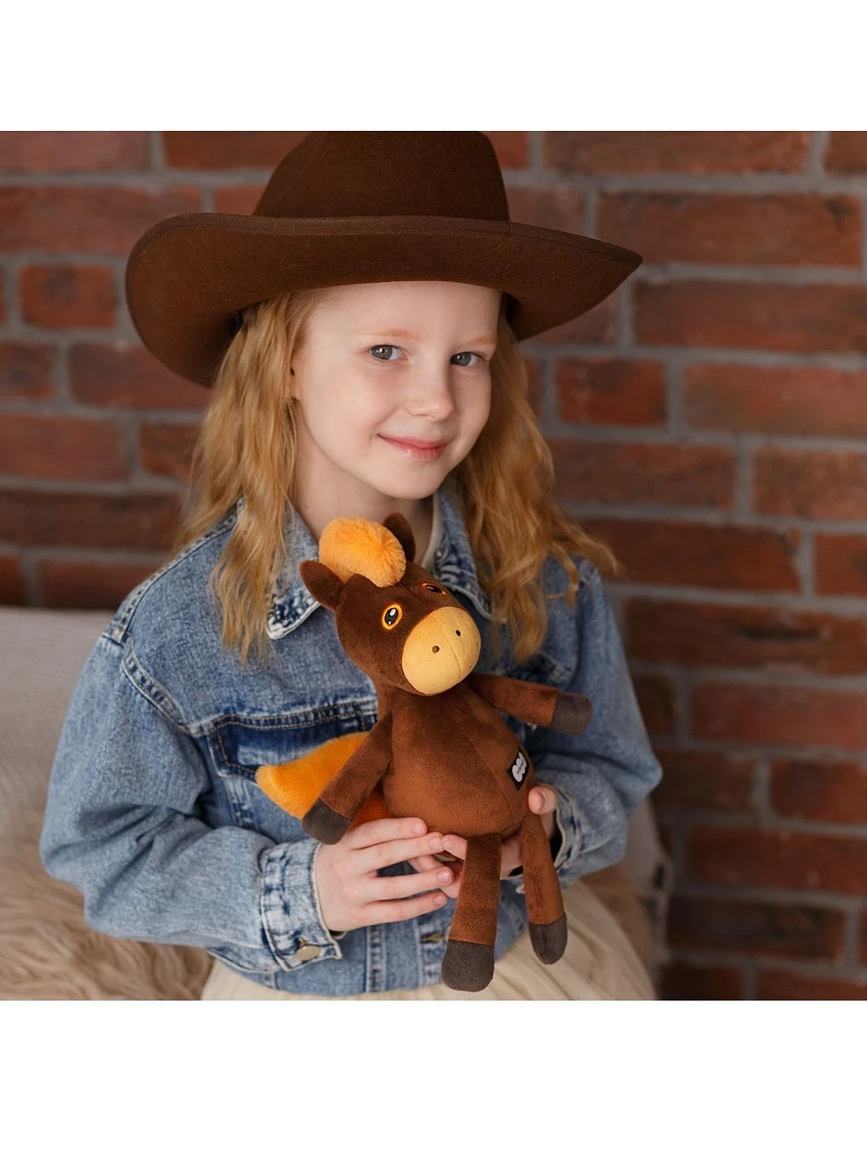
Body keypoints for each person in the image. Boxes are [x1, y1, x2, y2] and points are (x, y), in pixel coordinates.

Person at [39, 131, 663, 1000]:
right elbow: (102, 848)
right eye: (386, 351)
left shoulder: (544, 581)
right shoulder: (180, 626)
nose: (436, 399)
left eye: (467, 357)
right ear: (288, 362)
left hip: (514, 977)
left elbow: (613, 770)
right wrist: (302, 892)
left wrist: (549, 833)